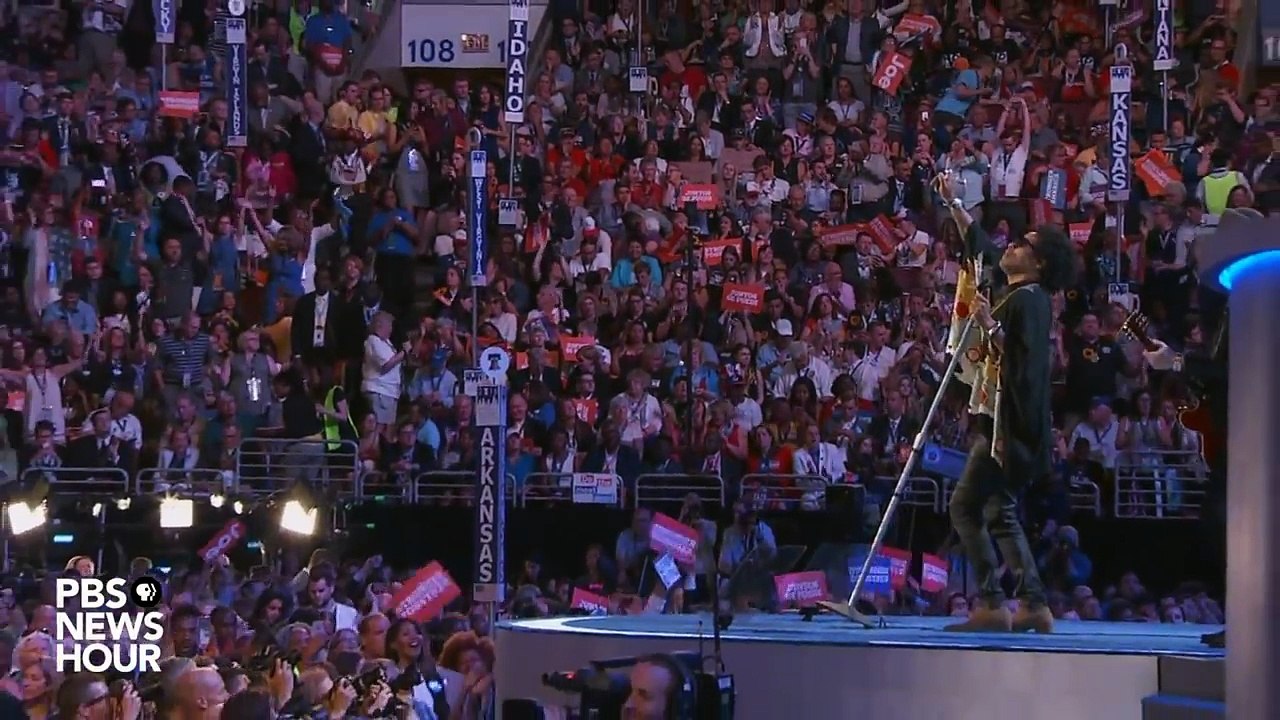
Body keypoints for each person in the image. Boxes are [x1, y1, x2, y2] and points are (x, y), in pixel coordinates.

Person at [938, 175, 1078, 634]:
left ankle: (995, 602)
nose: (1011, 245)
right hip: (1006, 425)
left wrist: (989, 327)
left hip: (1008, 427)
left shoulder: (1030, 301)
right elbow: (980, 249)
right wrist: (955, 203)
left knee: (965, 507)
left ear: (1037, 262)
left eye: (1022, 242)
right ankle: (1030, 603)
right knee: (997, 510)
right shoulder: (1018, 293)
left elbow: (1028, 363)